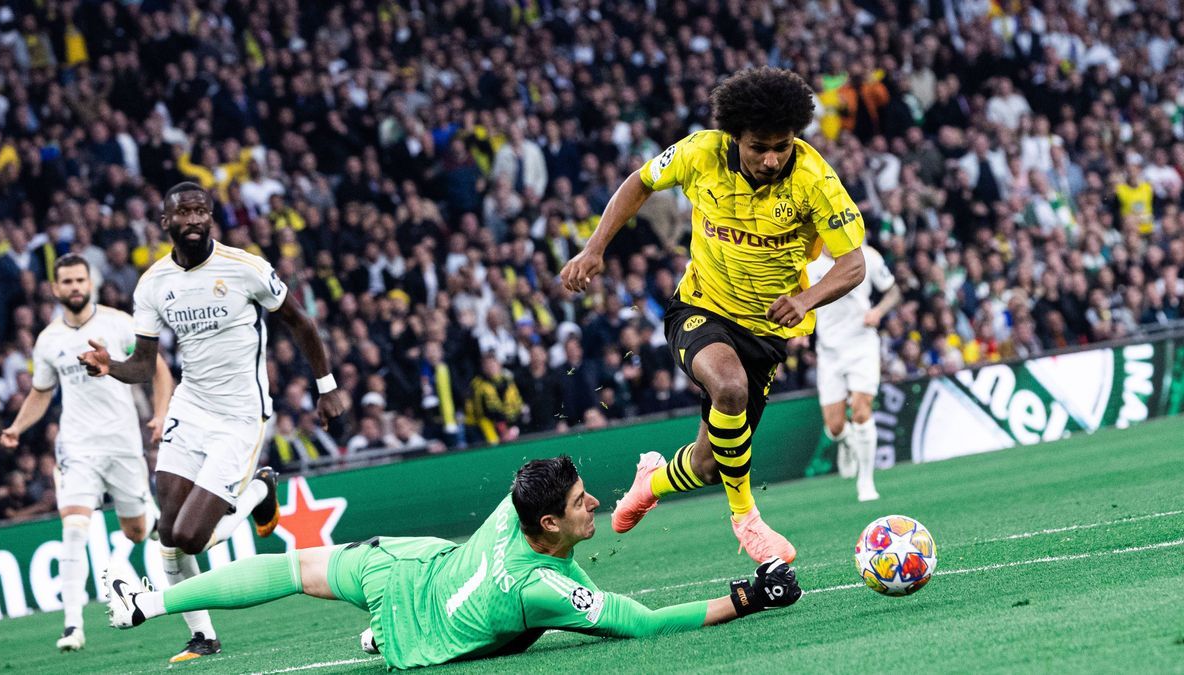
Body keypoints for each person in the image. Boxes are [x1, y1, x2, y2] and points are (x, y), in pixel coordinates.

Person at [560, 67, 866, 563]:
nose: (771, 159)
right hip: (699, 307)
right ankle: (747, 521)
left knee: (707, 463)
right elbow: (639, 182)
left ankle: (650, 482)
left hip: (766, 330)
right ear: (734, 137)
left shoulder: (815, 181)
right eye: (758, 147)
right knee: (728, 387)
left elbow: (853, 264)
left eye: (782, 146)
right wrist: (595, 248)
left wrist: (806, 301)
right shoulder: (700, 152)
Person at [105, 456, 802, 670]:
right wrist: (750, 596)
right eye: (584, 500)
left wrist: (641, 484)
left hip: (403, 570)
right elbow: (645, 624)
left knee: (292, 569)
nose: (595, 503)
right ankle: (382, 637)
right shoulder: (544, 588)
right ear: (551, 523)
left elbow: (534, 484)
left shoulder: (518, 505)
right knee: (518, 629)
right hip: (419, 635)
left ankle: (147, 603)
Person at [78, 182, 348, 663]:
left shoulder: (245, 267)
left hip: (240, 417)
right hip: (191, 408)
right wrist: (108, 366)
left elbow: (301, 322)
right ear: (166, 223)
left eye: (202, 210)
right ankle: (204, 637)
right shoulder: (154, 284)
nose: (196, 219)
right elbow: (143, 364)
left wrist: (326, 387)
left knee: (192, 537)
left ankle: (261, 490)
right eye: (184, 212)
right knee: (169, 534)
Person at [0, 254, 174, 652]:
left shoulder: (118, 323)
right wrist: (16, 428)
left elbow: (158, 369)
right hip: (77, 446)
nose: (75, 286)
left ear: (89, 282)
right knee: (74, 527)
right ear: (55, 288)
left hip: (123, 443)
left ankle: (153, 523)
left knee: (137, 529)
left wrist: (161, 412)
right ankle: (72, 626)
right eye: (67, 281)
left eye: (81, 279)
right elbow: (41, 394)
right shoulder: (48, 340)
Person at [806, 244, 901, 502]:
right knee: (835, 427)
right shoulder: (809, 263)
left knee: (861, 409)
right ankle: (846, 442)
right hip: (829, 352)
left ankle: (866, 481)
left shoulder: (867, 256)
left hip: (862, 344)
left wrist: (879, 311)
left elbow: (893, 291)